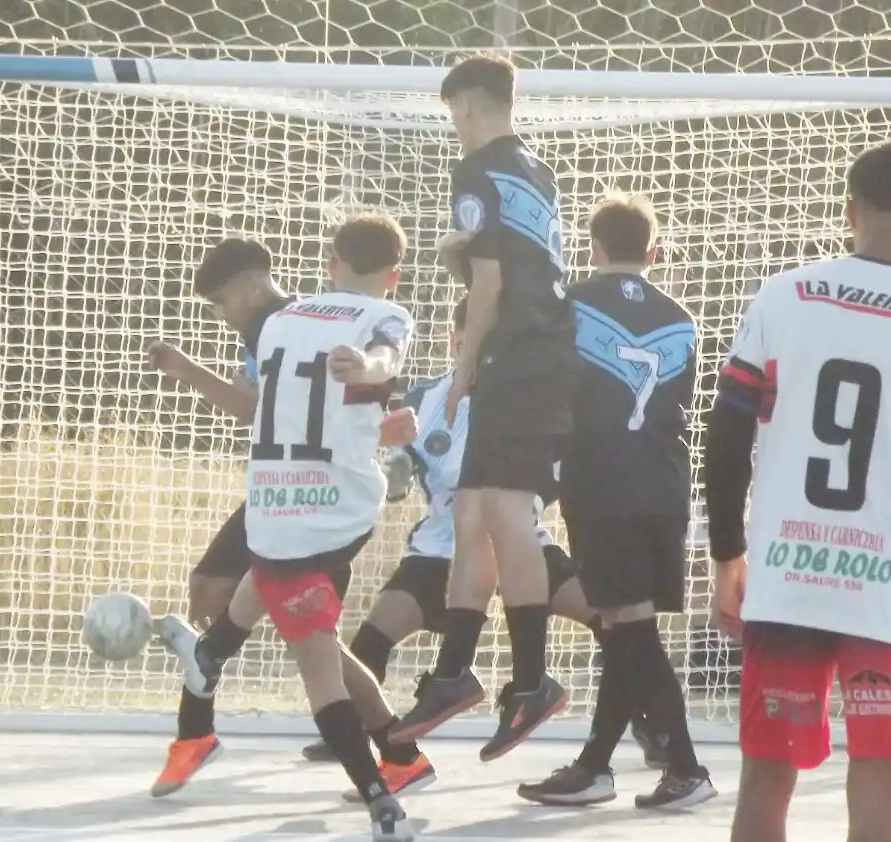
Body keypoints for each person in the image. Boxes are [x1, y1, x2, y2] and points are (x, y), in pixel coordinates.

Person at [703, 140, 891, 842]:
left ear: (849, 211)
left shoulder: (784, 294)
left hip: (788, 573)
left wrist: (727, 555)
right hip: (890, 588)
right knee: (879, 794)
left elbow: (723, 439)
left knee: (766, 781)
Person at [303, 295, 668, 772]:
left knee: (612, 622)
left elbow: (555, 481)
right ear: (455, 341)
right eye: (469, 342)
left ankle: (649, 722)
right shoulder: (422, 401)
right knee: (371, 639)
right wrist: (391, 465)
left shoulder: (534, 409)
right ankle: (369, 740)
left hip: (520, 546)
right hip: (441, 551)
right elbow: (393, 471)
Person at [159, 214, 422, 842]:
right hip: (308, 503)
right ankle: (398, 753)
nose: (222, 313)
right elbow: (373, 370)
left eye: (222, 301)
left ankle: (380, 793)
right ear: (394, 274)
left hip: (303, 507)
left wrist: (372, 373)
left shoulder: (280, 322)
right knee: (307, 628)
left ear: (330, 263)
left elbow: (375, 368)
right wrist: (375, 382)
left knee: (309, 651)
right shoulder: (311, 322)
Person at [390, 53, 580, 763]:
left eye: (452, 114)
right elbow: (518, 265)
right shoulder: (535, 168)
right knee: (471, 510)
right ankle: (454, 673)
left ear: (467, 104)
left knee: (501, 514)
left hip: (520, 358)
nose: (456, 127)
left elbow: (494, 286)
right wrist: (461, 262)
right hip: (539, 356)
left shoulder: (474, 172)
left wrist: (464, 369)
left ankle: (532, 680)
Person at [517, 196, 715, 809]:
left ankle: (683, 766)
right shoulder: (683, 320)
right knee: (628, 625)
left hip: (603, 483)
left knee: (630, 628)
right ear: (653, 253)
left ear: (593, 247)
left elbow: (548, 392)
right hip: (664, 485)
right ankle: (602, 764)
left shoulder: (568, 306)